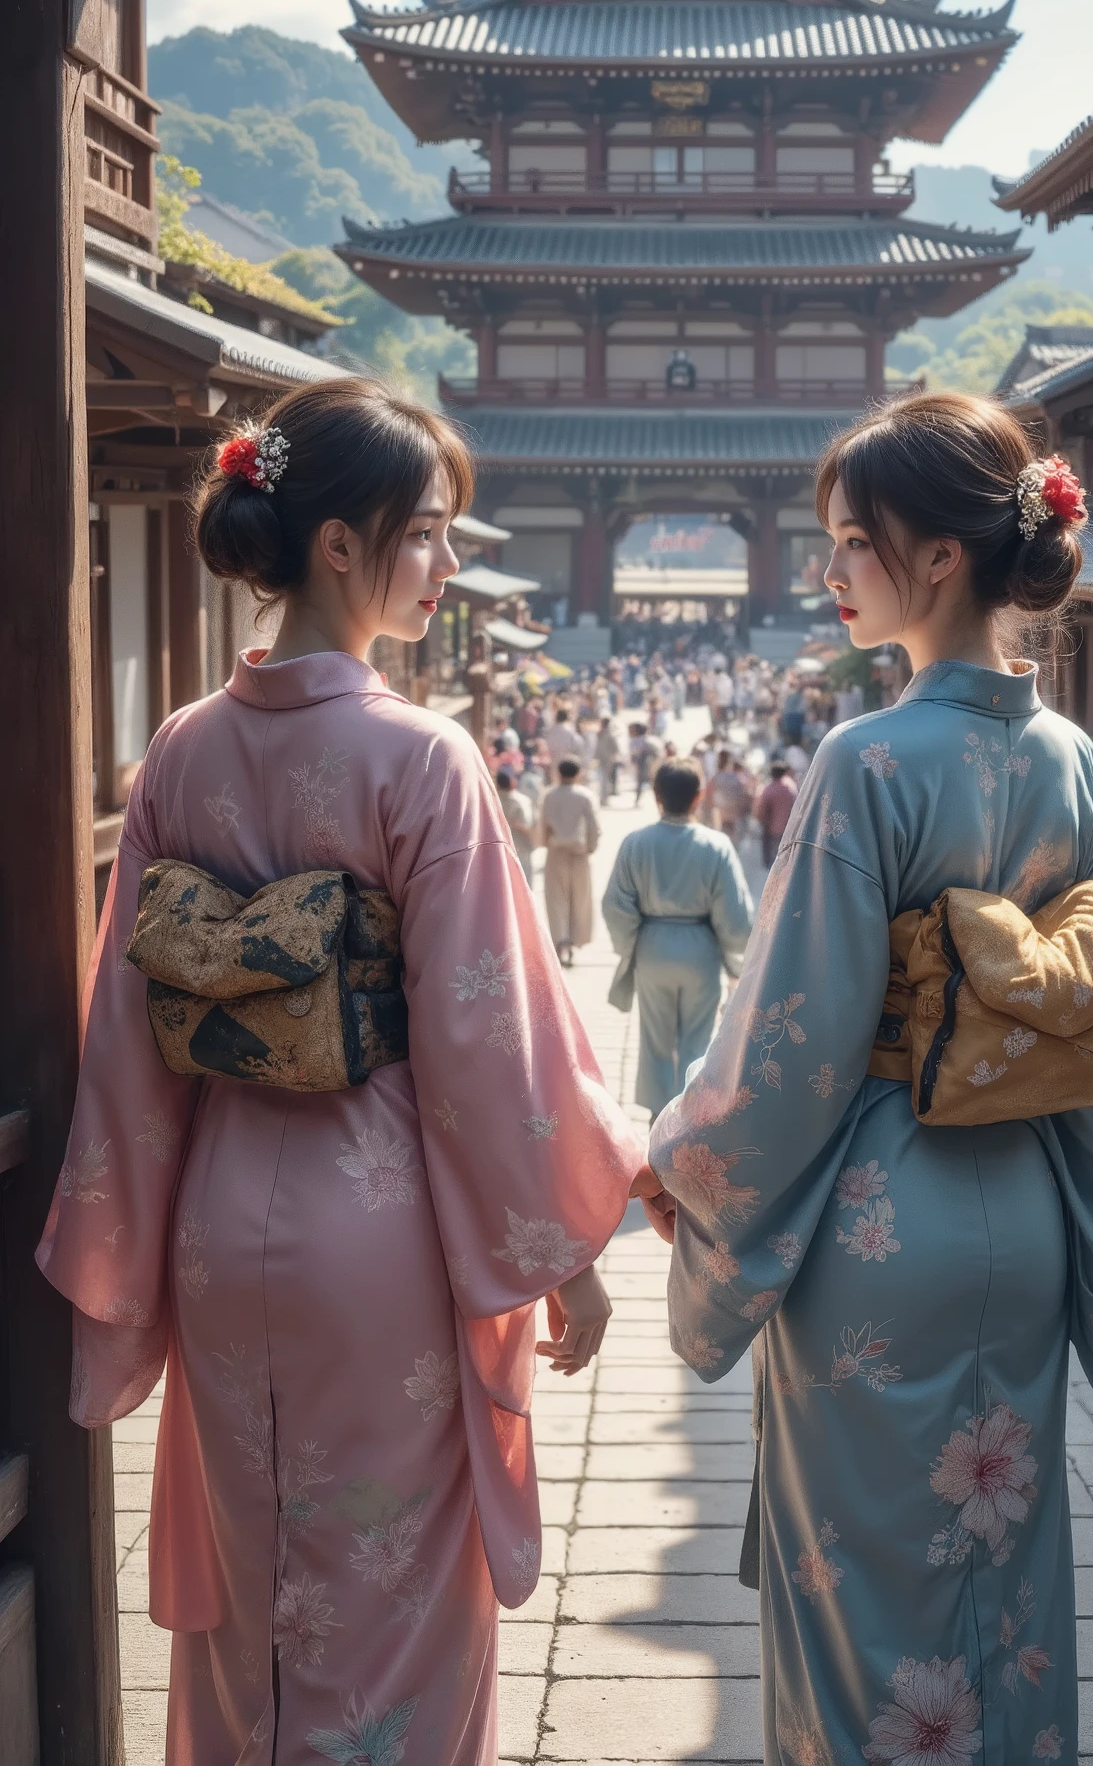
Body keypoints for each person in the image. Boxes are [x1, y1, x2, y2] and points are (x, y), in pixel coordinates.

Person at [35, 379, 652, 1764]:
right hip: (377, 1234)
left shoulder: (182, 752)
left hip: (217, 1215)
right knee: (391, 1610)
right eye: (427, 533)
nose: (444, 564)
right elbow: (482, 1039)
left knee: (252, 1599)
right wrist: (564, 1249)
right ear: (336, 545)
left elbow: (128, 1032)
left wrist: (121, 1262)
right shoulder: (418, 759)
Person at [640, 390, 1093, 1764]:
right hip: (1032, 1202)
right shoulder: (1072, 761)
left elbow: (794, 1044)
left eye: (850, 546)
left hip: (879, 1219)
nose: (829, 575)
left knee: (864, 1608)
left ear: (939, 556)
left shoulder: (867, 761)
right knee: (1004, 1586)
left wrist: (681, 1154)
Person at [602, 761, 754, 1116]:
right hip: (700, 949)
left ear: (657, 797)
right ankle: (686, 1117)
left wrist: (630, 947)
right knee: (698, 1041)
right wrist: (736, 961)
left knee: (655, 1039)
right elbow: (735, 916)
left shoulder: (635, 843)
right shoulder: (716, 845)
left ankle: (657, 1116)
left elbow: (615, 905)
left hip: (652, 947)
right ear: (699, 797)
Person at [539, 757, 601, 967]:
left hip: (556, 852)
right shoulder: (585, 796)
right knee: (580, 899)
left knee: (556, 898)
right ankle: (574, 939)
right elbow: (593, 826)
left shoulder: (549, 795)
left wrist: (544, 843)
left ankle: (560, 939)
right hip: (579, 854)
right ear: (578, 774)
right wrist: (591, 847)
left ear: (558, 773)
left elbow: (542, 825)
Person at [752, 758, 798, 867]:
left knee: (773, 857)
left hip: (771, 828)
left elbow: (761, 810)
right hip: (788, 828)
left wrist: (763, 821)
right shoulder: (791, 787)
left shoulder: (768, 789)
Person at [495, 765, 536, 883]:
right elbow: (528, 825)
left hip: (500, 847)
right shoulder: (522, 800)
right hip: (521, 846)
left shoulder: (492, 800)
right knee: (524, 883)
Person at [703, 750, 752, 845]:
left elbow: (708, 798)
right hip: (732, 817)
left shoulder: (716, 778)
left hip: (719, 818)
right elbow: (745, 797)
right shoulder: (738, 779)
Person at [593, 715, 624, 805]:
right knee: (604, 780)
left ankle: (604, 799)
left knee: (603, 780)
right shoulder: (605, 734)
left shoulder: (603, 734)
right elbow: (615, 749)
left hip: (604, 760)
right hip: (605, 760)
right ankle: (604, 799)